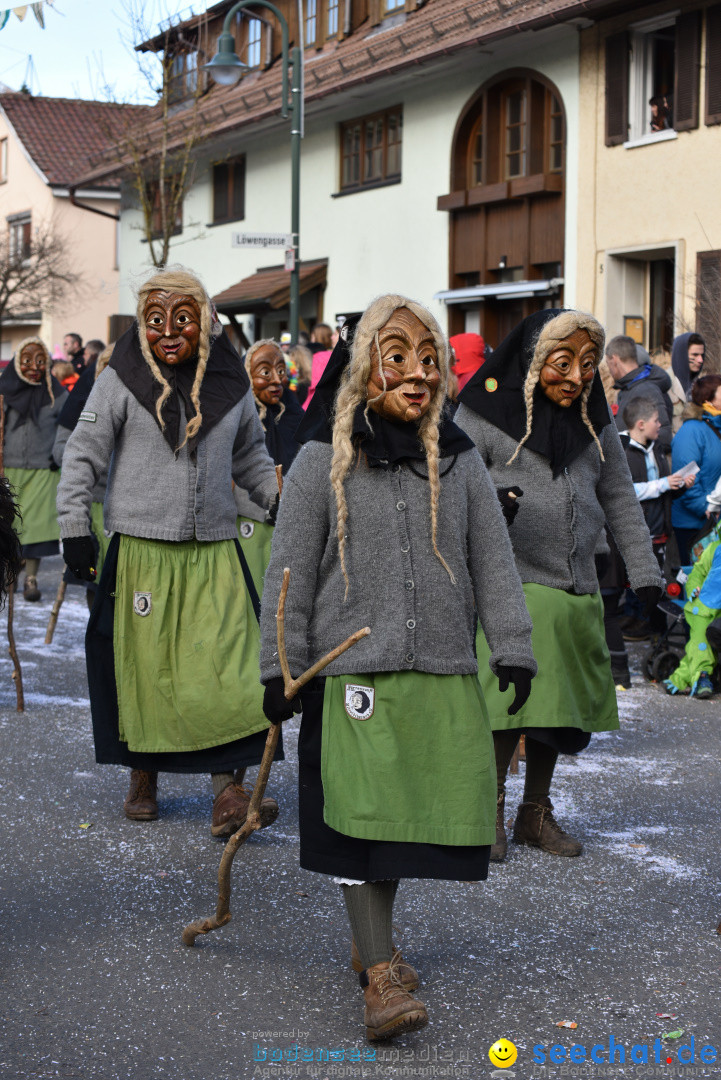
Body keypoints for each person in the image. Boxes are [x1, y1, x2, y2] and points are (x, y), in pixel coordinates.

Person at [259, 295, 536, 1042]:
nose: (416, 374)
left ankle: (369, 940)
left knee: (402, 820)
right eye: (397, 357)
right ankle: (379, 976)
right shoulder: (321, 456)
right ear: (364, 367)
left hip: (439, 668)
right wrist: (275, 669)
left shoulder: (461, 456)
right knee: (356, 823)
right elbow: (288, 569)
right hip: (350, 674)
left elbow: (493, 561)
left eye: (428, 359)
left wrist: (511, 642)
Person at [56, 268, 282, 836]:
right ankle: (144, 772)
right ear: (142, 322)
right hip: (143, 548)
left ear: (205, 320)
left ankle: (228, 791)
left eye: (183, 319)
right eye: (156, 321)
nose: (169, 332)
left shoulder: (231, 385)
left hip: (214, 547)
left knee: (231, 666)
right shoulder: (119, 379)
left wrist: (278, 501)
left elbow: (251, 457)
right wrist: (74, 527)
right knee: (147, 672)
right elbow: (82, 455)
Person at [455, 310, 663, 861]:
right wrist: (487, 504)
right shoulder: (483, 414)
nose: (576, 377)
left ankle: (535, 814)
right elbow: (451, 478)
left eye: (588, 365)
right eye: (562, 362)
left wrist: (643, 572)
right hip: (514, 582)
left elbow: (619, 494)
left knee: (556, 711)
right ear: (530, 361)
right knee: (509, 705)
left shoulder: (595, 424)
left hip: (577, 585)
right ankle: (488, 810)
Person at [618, 396, 695, 642]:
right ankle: (636, 621)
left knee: (655, 578)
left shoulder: (657, 448)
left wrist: (680, 485)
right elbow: (626, 491)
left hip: (660, 527)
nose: (660, 425)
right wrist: (663, 484)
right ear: (640, 424)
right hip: (639, 529)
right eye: (655, 420)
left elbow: (662, 489)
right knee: (636, 578)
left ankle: (646, 622)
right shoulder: (623, 451)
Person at [0, 337, 68, 601]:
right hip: (10, 470)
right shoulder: (4, 390)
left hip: (43, 470)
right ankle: (10, 575)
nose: (34, 367)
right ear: (17, 362)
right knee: (11, 526)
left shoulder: (57, 393)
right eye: (27, 361)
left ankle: (31, 578)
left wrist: (59, 453)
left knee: (36, 527)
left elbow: (69, 423)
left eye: (40, 361)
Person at [235, 339, 303, 595]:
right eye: (265, 372)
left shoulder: (294, 415)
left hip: (287, 520)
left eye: (281, 371)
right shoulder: (240, 416)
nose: (276, 380)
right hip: (248, 519)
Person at [671, 375, 721, 565]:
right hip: (695, 524)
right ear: (708, 401)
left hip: (714, 518)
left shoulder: (716, 428)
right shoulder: (691, 431)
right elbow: (685, 476)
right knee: (696, 580)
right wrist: (706, 507)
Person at [663, 536, 721, 698]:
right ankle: (702, 678)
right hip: (703, 606)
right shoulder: (714, 548)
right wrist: (694, 588)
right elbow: (697, 572)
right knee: (702, 644)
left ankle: (678, 680)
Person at [605, 335, 673, 452]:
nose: (609, 370)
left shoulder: (647, 390)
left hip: (640, 466)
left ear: (615, 360)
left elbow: (664, 435)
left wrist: (634, 448)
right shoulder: (626, 389)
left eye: (608, 363)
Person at [671, 332, 705, 401]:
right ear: (681, 355)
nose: (700, 360)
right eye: (695, 355)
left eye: (702, 355)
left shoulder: (701, 387)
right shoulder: (664, 386)